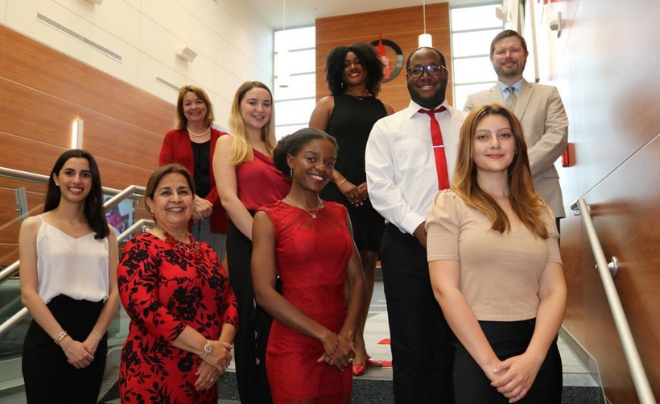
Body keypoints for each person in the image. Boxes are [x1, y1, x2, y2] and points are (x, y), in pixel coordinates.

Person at [426, 104, 566, 403]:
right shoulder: (448, 204)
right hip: (479, 350)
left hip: (537, 349)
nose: (495, 144)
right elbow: (444, 289)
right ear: (469, 147)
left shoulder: (538, 209)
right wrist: (492, 366)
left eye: (504, 135)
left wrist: (534, 357)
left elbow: (554, 290)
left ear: (516, 145)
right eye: (483, 137)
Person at [365, 47, 467, 403]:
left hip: (466, 243)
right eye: (417, 69)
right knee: (411, 344)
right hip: (408, 243)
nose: (425, 75)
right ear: (406, 77)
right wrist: (420, 227)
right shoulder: (386, 129)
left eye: (433, 68)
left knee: (457, 339)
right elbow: (380, 188)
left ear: (446, 74)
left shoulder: (470, 123)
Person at [252, 128, 364, 403]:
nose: (321, 169)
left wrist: (346, 335)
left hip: (338, 346)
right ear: (291, 160)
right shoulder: (268, 217)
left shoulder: (340, 214)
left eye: (329, 163)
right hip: (294, 345)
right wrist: (324, 335)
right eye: (311, 159)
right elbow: (264, 293)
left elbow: (358, 280)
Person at [117, 164, 237, 404]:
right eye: (166, 192)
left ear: (193, 200)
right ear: (150, 203)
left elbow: (230, 300)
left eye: (183, 192)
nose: (176, 199)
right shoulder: (140, 248)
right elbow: (146, 310)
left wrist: (220, 352)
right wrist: (207, 349)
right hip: (155, 376)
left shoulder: (206, 251)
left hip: (206, 374)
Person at [309, 42, 395, 376]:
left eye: (358, 62)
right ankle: (345, 342)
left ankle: (359, 343)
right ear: (337, 70)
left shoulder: (385, 108)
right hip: (334, 195)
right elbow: (311, 152)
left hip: (373, 198)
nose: (352, 67)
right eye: (345, 63)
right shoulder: (327, 105)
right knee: (345, 270)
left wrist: (371, 186)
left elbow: (392, 157)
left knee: (369, 266)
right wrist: (343, 181)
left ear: (371, 67)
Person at [19, 149, 119, 403]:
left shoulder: (106, 233)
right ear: (55, 178)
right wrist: (65, 342)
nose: (77, 180)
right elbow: (29, 294)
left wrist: (93, 340)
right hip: (48, 335)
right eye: (69, 173)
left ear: (93, 182)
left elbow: (114, 292)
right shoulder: (34, 226)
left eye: (85, 174)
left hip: (92, 339)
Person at [212, 81, 290, 404]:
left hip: (283, 238)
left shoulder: (282, 151)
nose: (260, 109)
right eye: (252, 102)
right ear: (239, 107)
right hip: (249, 237)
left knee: (281, 322)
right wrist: (263, 241)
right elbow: (229, 200)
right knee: (251, 323)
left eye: (266, 103)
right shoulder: (229, 145)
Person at [464, 29, 568, 231]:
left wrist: (518, 165)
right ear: (492, 58)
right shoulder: (474, 101)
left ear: (526, 54)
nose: (508, 56)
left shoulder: (548, 94)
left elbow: (558, 136)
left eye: (514, 50)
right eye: (501, 52)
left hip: (540, 194)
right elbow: (469, 142)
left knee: (545, 259)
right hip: (489, 200)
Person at [159, 84, 229, 259]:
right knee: (178, 269)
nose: (194, 107)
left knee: (211, 270)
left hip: (214, 214)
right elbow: (164, 174)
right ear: (182, 109)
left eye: (198, 102)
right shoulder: (172, 137)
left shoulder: (223, 139)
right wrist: (192, 201)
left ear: (207, 106)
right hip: (180, 211)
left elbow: (227, 178)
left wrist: (206, 204)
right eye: (188, 103)